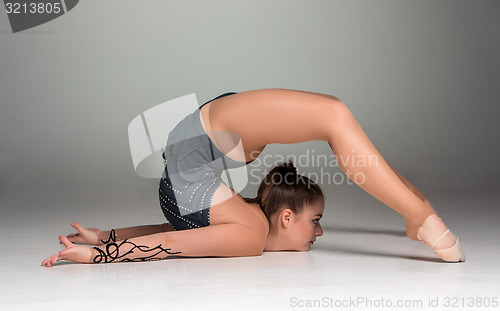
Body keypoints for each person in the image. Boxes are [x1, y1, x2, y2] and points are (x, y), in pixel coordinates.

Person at [41, 88, 465, 267]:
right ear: (285, 217)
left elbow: (174, 232)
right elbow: (171, 239)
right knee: (335, 116)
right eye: (314, 220)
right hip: (195, 155)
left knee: (335, 115)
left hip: (194, 154)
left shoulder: (245, 227)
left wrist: (106, 239)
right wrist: (102, 253)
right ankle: (419, 216)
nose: (320, 230)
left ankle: (418, 214)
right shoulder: (248, 233)